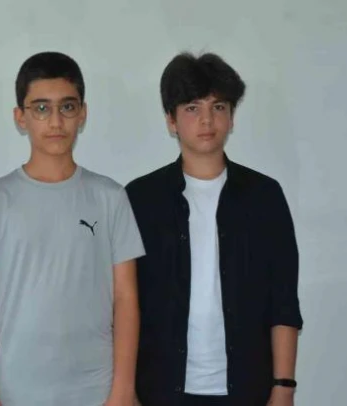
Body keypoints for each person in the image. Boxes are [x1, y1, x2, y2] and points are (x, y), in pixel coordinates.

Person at [0, 51, 146, 406]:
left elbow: (126, 300)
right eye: (42, 108)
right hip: (16, 391)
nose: (56, 121)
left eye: (67, 107)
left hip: (96, 389)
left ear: (83, 113)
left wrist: (122, 392)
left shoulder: (110, 197)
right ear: (21, 117)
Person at [126, 52, 303, 406]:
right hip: (160, 391)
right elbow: (124, 305)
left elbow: (283, 301)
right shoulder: (140, 199)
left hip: (247, 391)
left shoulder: (264, 196)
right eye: (192, 108)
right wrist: (125, 390)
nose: (207, 119)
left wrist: (284, 387)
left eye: (218, 107)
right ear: (171, 120)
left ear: (232, 116)